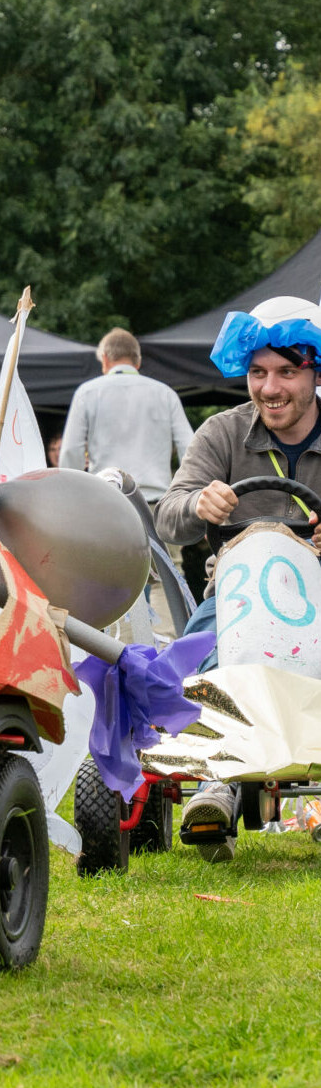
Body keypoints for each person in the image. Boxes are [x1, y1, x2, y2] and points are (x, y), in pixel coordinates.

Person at [154, 295, 321, 857]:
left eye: (287, 373)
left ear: (314, 373)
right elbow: (168, 516)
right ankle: (216, 782)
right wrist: (199, 503)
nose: (270, 388)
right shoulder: (223, 432)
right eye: (257, 372)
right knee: (200, 655)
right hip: (236, 591)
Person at [60, 329, 193, 500]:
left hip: (106, 500)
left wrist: (73, 496)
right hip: (156, 502)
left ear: (105, 359)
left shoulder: (87, 393)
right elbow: (188, 447)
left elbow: (71, 450)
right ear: (138, 362)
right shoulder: (166, 394)